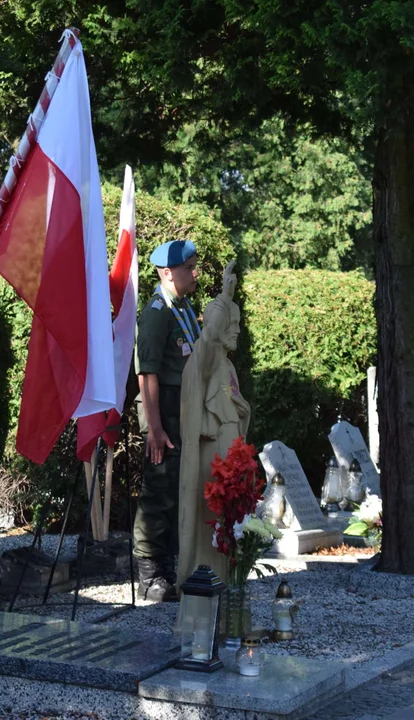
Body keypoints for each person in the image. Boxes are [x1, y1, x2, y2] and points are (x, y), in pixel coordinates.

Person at [134, 239, 200, 602]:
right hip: (164, 409)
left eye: (193, 266)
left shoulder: (185, 307)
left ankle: (172, 566)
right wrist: (155, 428)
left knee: (179, 490)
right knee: (159, 491)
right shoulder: (158, 313)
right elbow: (147, 374)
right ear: (166, 273)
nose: (195, 273)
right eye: (188, 268)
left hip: (184, 409)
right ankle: (149, 573)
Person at [178, 260, 250, 587]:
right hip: (211, 463)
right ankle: (207, 596)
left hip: (230, 462)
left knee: (227, 531)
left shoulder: (228, 368)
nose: (236, 329)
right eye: (230, 323)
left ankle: (228, 601)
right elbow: (206, 340)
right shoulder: (202, 361)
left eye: (236, 322)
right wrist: (224, 297)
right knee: (210, 527)